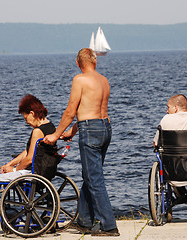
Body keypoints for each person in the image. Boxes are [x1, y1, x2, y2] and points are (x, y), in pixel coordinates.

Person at [43, 48, 119, 237]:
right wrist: (73, 131)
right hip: (105, 128)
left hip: (91, 130)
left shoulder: (79, 79)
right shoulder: (104, 80)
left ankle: (109, 226)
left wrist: (55, 135)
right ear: (95, 62)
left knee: (94, 178)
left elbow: (71, 110)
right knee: (90, 175)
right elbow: (94, 111)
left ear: (78, 63)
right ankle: (85, 221)